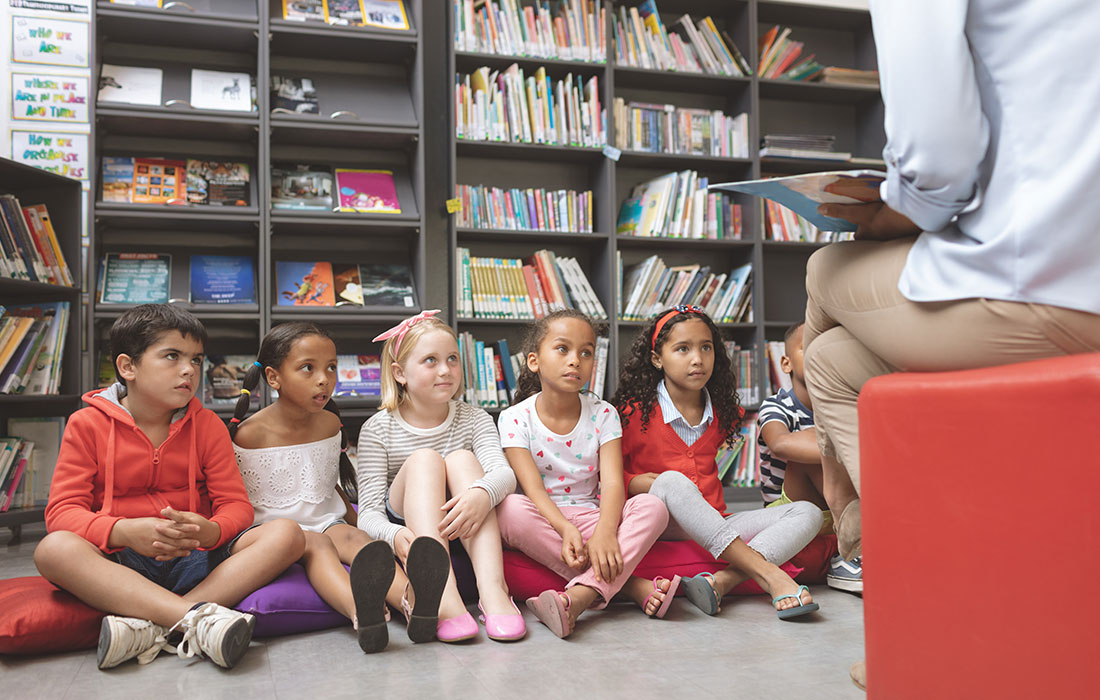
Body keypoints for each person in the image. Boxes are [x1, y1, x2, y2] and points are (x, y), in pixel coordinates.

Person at [804, 1, 1100, 688]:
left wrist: (895, 211)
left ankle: (885, 581)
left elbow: (939, 156)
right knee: (834, 362)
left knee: (825, 271)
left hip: (1042, 289)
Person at [34, 304, 305, 670]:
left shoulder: (207, 425)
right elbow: (62, 512)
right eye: (172, 357)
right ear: (128, 367)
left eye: (196, 360)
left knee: (287, 534)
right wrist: (122, 531)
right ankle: (195, 619)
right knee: (53, 549)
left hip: (198, 557)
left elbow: (237, 506)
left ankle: (155, 628)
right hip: (120, 561)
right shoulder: (87, 425)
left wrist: (210, 531)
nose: (189, 370)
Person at [229, 322, 450, 652]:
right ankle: (363, 612)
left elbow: (325, 482)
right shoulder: (249, 434)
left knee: (360, 541)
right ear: (273, 378)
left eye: (331, 367)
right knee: (319, 548)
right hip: (269, 530)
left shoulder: (331, 424)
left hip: (323, 518)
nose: (324, 379)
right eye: (308, 368)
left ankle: (415, 604)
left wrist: (357, 522)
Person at [612, 305, 822, 620]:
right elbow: (608, 480)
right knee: (672, 481)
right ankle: (769, 575)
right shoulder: (631, 414)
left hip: (716, 524)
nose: (697, 358)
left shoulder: (724, 412)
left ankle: (722, 581)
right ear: (657, 358)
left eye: (706, 348)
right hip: (660, 524)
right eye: (682, 349)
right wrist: (648, 483)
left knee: (807, 512)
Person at [494, 310, 672, 639]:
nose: (575, 360)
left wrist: (606, 531)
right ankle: (629, 586)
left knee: (653, 507)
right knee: (508, 510)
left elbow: (614, 483)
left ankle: (579, 597)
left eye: (586, 352)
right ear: (534, 361)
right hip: (544, 518)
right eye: (562, 349)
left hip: (593, 515)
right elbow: (532, 488)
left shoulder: (604, 414)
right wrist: (562, 528)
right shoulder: (514, 418)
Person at [356, 310, 525, 643]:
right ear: (400, 373)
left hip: (465, 517)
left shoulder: (475, 418)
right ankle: (445, 599)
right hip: (410, 523)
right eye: (430, 361)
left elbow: (504, 474)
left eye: (452, 359)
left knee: (462, 459)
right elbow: (368, 514)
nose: (446, 370)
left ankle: (493, 590)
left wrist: (482, 494)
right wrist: (393, 536)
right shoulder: (377, 429)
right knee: (425, 460)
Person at [758, 322, 861, 593]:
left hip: (838, 506)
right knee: (817, 447)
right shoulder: (777, 405)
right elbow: (780, 444)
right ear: (786, 363)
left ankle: (859, 544)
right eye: (808, 349)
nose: (818, 357)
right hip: (787, 513)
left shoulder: (847, 406)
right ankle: (857, 549)